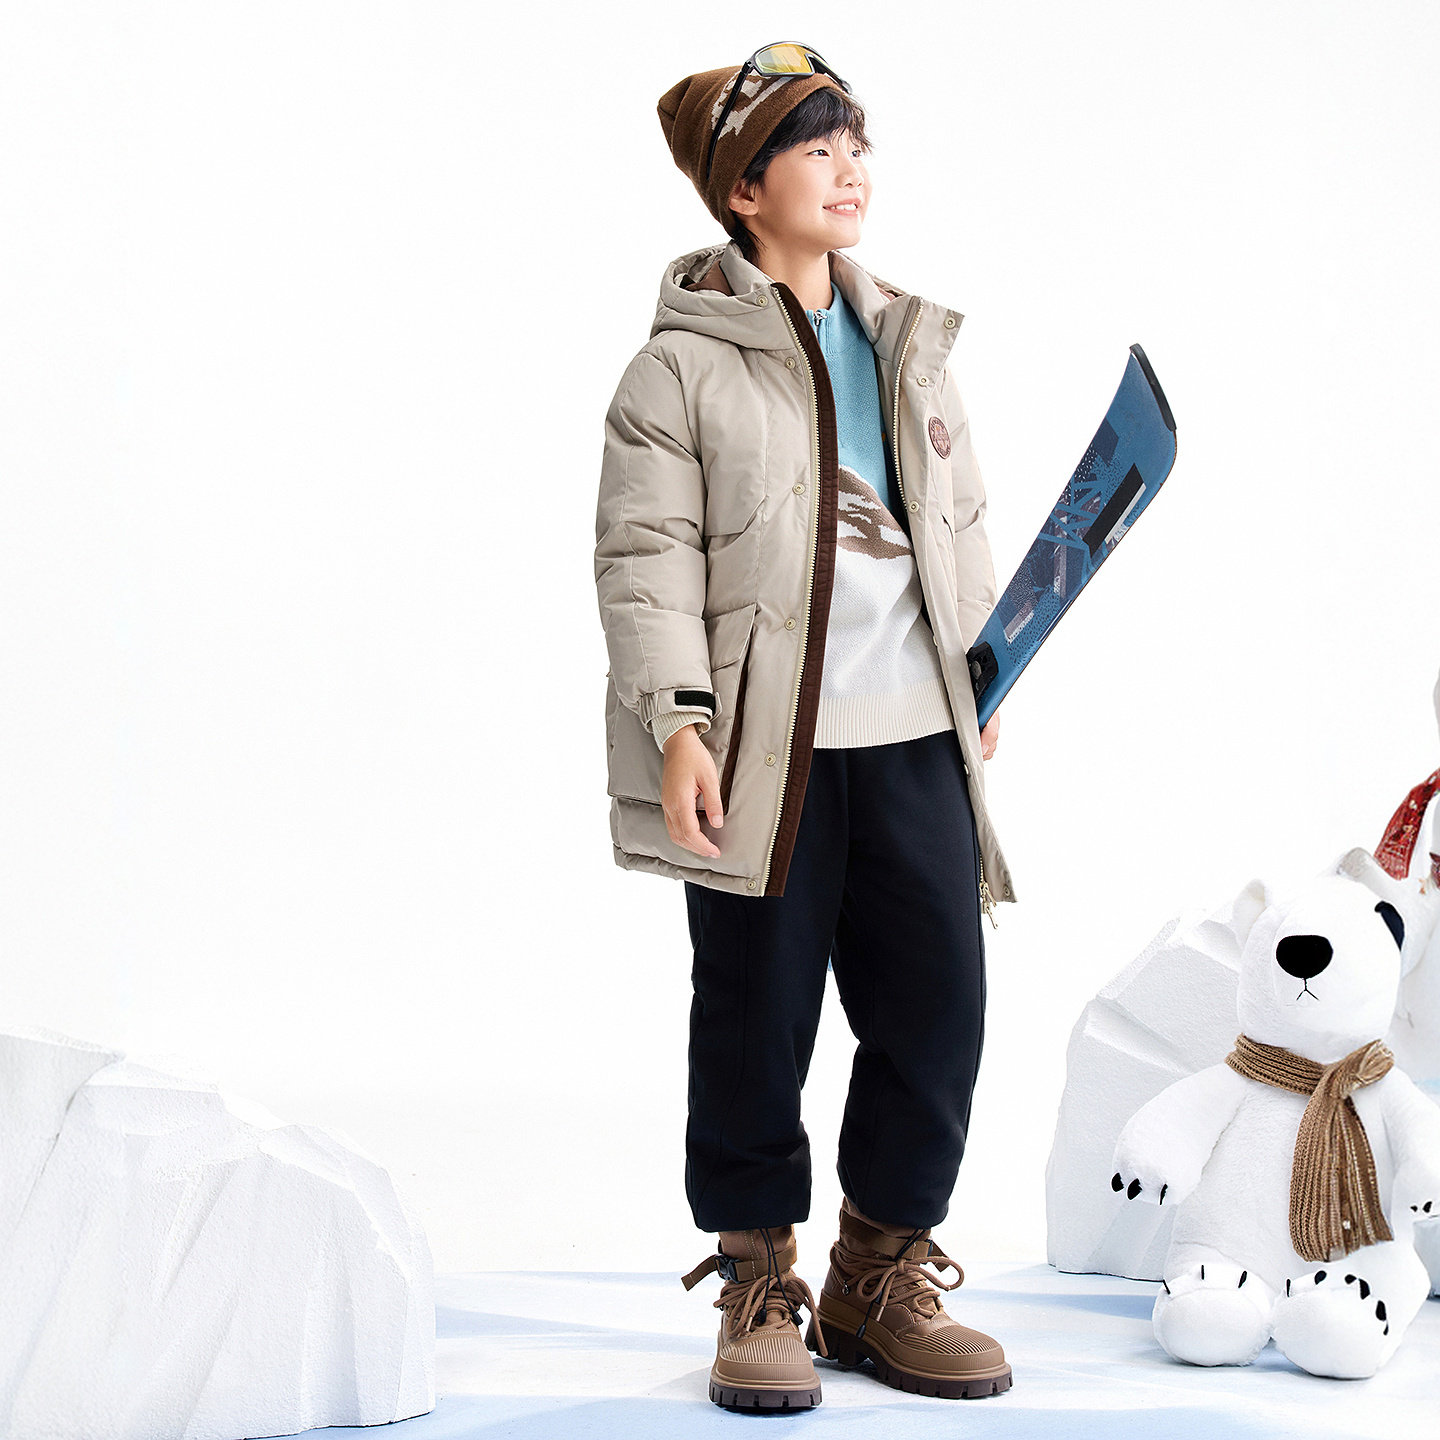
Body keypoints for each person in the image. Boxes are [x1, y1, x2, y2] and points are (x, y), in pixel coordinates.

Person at [593, 42, 1019, 1413]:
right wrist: (679, 722)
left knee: (939, 1005)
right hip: (763, 752)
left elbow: (956, 522)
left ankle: (875, 1278)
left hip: (913, 733)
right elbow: (646, 559)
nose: (850, 168)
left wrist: (982, 675)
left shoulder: (907, 341)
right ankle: (760, 1277)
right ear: (742, 187)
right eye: (815, 145)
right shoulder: (677, 372)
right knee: (756, 1017)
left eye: (856, 142)